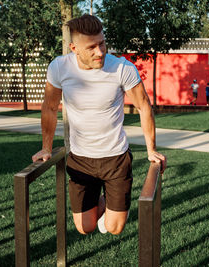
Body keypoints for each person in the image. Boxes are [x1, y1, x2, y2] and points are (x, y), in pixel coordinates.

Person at [31, 15, 166, 236]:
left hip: (116, 158)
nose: (100, 52)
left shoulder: (122, 68)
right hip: (81, 159)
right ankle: (108, 202)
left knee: (114, 228)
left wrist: (151, 150)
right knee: (85, 228)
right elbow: (49, 107)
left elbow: (144, 106)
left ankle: (116, 207)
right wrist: (46, 147)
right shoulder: (59, 68)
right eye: (91, 47)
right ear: (74, 48)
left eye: (102, 43)